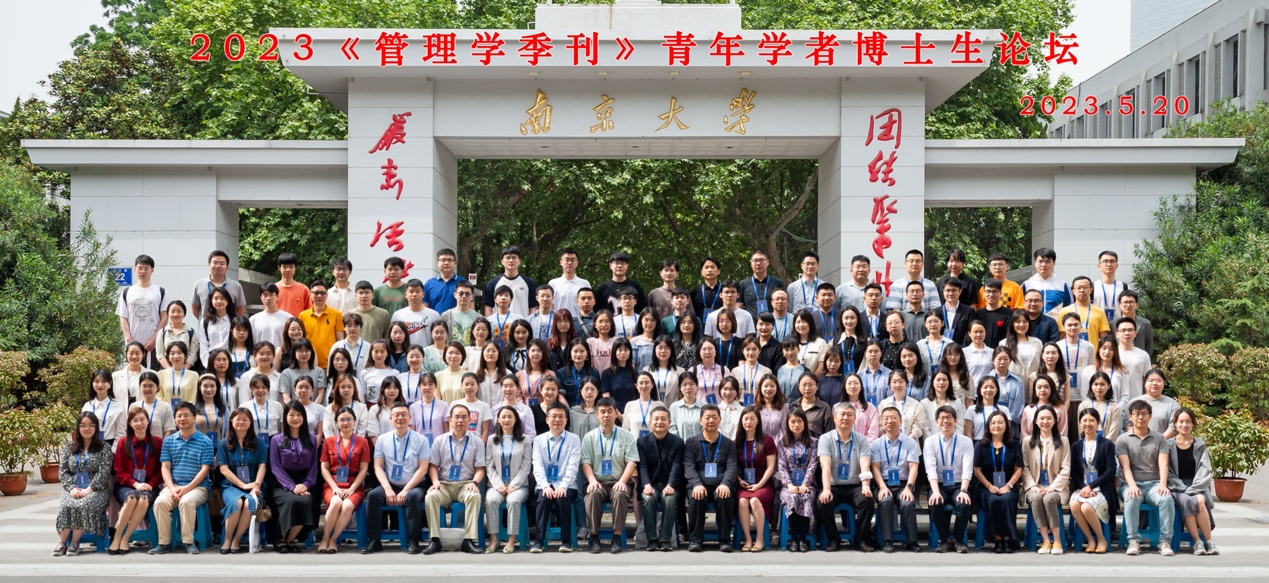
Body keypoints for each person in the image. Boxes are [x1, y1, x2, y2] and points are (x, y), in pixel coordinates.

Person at [362, 403, 431, 554]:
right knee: (373, 496)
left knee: (412, 497)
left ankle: (413, 540)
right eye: (396, 415)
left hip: (414, 485)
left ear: (410, 417)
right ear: (391, 418)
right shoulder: (382, 439)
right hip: (391, 484)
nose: (400, 418)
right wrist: (387, 489)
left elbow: (423, 469)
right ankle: (374, 540)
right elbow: (378, 467)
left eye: (403, 414)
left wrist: (406, 490)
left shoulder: (421, 440)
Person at [149, 402, 214, 554]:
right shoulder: (168, 441)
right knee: (160, 503)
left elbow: (205, 470)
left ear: (194, 418)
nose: (182, 419)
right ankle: (164, 542)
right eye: (179, 416)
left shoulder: (205, 441)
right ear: (175, 419)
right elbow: (165, 468)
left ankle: (188, 542)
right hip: (174, 486)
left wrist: (186, 489)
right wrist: (172, 489)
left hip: (199, 487)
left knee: (186, 501)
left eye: (186, 415)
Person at [423, 404, 486, 554]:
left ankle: (468, 540)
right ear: (450, 420)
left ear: (469, 420)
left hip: (465, 484)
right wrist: (435, 482)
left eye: (464, 417)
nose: (460, 420)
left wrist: (474, 482)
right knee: (431, 497)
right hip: (443, 485)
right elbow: (433, 466)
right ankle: (435, 540)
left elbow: (480, 469)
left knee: (475, 497)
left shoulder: (477, 442)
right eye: (456, 417)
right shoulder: (440, 440)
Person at [579, 397, 639, 553]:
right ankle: (594, 538)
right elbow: (585, 463)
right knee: (592, 495)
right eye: (602, 412)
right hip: (597, 481)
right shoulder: (589, 437)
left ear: (616, 413)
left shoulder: (626, 436)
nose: (606, 415)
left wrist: (623, 481)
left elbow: (631, 462)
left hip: (619, 480)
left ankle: (616, 538)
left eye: (609, 411)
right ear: (597, 414)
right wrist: (592, 480)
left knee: (620, 494)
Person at [1117, 399, 1176, 556]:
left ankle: (1164, 541)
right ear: (1130, 416)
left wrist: (1163, 484)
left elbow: (1163, 464)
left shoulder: (1160, 438)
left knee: (1166, 499)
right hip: (1131, 483)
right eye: (1136, 414)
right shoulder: (1123, 439)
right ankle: (1133, 541)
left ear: (1150, 416)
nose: (1140, 417)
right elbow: (1125, 467)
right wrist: (1132, 485)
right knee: (1131, 497)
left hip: (1154, 484)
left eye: (1144, 414)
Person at [815, 403, 876, 552]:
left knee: (867, 500)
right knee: (822, 502)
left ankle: (861, 540)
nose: (845, 418)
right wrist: (826, 490)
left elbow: (865, 465)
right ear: (834, 418)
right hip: (833, 485)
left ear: (854, 418)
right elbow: (825, 466)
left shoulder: (862, 440)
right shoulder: (825, 438)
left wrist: (866, 487)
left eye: (849, 415)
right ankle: (833, 539)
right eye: (842, 414)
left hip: (855, 486)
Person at [53, 412, 112, 557]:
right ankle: (62, 543)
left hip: (96, 489)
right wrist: (72, 488)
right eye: (83, 425)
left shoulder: (104, 448)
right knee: (67, 504)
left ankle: (74, 543)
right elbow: (63, 472)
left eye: (91, 425)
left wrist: (88, 489)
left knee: (81, 505)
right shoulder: (69, 448)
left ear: (96, 428)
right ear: (78, 428)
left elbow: (104, 473)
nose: (87, 428)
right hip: (73, 488)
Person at [109, 406, 164, 553]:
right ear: (130, 424)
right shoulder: (123, 442)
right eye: (135, 420)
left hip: (149, 486)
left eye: (142, 419)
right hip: (126, 486)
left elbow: (161, 470)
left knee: (143, 498)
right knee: (132, 497)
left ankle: (125, 538)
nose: (139, 423)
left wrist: (150, 484)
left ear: (148, 421)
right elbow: (119, 470)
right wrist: (135, 484)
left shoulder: (157, 442)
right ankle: (116, 537)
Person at [268, 401, 321, 553]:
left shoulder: (312, 439)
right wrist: (291, 486)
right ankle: (280, 539)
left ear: (304, 417)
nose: (295, 418)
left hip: (304, 482)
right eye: (291, 415)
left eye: (299, 415)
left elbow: (314, 465)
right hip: (281, 483)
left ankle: (290, 539)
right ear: (285, 417)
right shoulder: (276, 439)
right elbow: (275, 467)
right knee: (291, 500)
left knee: (306, 500)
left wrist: (306, 484)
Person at [684, 404, 738, 552]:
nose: (711, 421)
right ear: (700, 420)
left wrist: (726, 483)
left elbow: (732, 467)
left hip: (721, 484)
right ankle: (695, 539)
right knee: (696, 497)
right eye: (707, 417)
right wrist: (696, 484)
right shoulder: (691, 442)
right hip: (698, 484)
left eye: (714, 417)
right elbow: (689, 466)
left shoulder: (728, 444)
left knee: (724, 497)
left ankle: (724, 540)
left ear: (720, 420)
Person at [531, 402, 582, 553]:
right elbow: (537, 466)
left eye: (561, 416)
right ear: (547, 419)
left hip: (567, 485)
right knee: (544, 498)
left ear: (566, 420)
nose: (557, 420)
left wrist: (563, 485)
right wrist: (545, 486)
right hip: (545, 484)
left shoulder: (574, 439)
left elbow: (573, 466)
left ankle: (566, 541)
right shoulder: (539, 440)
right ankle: (538, 541)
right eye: (554, 416)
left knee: (562, 498)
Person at [319, 407, 370, 554]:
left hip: (354, 486)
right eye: (342, 420)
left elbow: (363, 470)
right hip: (333, 484)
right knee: (336, 502)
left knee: (347, 505)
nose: (345, 423)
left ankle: (333, 540)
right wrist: (334, 487)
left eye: (349, 419)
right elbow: (324, 468)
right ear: (336, 422)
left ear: (354, 421)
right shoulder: (328, 442)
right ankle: (324, 539)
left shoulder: (362, 442)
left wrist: (352, 489)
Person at [869, 406, 921, 552]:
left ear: (900, 421)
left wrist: (909, 488)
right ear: (882, 422)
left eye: (893, 418)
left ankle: (912, 541)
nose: (889, 421)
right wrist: (882, 487)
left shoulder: (910, 443)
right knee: (885, 501)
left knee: (907, 503)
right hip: (883, 483)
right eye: (886, 418)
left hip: (904, 484)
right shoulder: (877, 444)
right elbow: (875, 468)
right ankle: (887, 541)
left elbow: (914, 468)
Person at [922, 405, 973, 553]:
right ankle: (944, 539)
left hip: (959, 485)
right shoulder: (930, 442)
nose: (945, 421)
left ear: (955, 420)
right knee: (935, 502)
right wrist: (935, 492)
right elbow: (930, 469)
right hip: (939, 485)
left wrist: (963, 490)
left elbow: (967, 469)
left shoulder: (966, 442)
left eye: (949, 418)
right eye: (942, 418)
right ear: (936, 422)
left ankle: (958, 540)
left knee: (964, 503)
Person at [217, 409, 269, 554]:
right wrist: (243, 485)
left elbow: (262, 465)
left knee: (249, 503)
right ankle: (227, 539)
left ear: (250, 422)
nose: (241, 422)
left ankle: (236, 540)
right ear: (231, 421)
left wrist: (256, 485)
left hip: (254, 485)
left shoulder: (258, 442)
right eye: (238, 419)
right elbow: (223, 469)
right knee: (237, 502)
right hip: (231, 486)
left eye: (245, 419)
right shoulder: (224, 443)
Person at [1022, 405, 1071, 555]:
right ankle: (1045, 540)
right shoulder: (1027, 441)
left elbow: (1066, 468)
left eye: (1049, 418)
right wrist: (1032, 486)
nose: (1045, 422)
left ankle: (1057, 540)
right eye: (1041, 418)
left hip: (1057, 487)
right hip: (1034, 486)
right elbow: (1024, 468)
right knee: (1036, 498)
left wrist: (1053, 487)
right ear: (1036, 421)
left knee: (1049, 498)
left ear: (1055, 421)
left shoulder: (1063, 441)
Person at [1168, 408, 1218, 556]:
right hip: (1177, 486)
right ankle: (1197, 542)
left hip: (1197, 485)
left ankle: (1209, 542)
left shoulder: (1200, 445)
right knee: (1187, 501)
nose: (1184, 425)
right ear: (1175, 423)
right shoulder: (1168, 445)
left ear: (1193, 424)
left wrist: (1194, 488)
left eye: (1188, 422)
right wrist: (1183, 488)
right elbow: (1167, 472)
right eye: (1181, 421)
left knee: (1200, 500)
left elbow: (1205, 470)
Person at [484, 405, 533, 553]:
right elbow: (489, 465)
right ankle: (494, 539)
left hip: (519, 485)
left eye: (510, 417)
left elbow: (526, 466)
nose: (506, 420)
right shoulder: (492, 440)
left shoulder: (525, 440)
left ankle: (512, 540)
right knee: (491, 500)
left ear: (516, 419)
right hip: (496, 485)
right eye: (503, 417)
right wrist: (498, 485)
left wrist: (514, 485)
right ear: (498, 420)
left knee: (513, 500)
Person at [973, 410, 1023, 553]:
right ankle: (996, 538)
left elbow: (1018, 469)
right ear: (988, 426)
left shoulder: (1014, 445)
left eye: (1000, 422)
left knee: (1007, 499)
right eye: (993, 423)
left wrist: (1008, 485)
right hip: (985, 487)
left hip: (1008, 486)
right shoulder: (981, 445)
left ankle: (1008, 538)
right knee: (994, 499)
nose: (996, 426)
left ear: (1007, 425)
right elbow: (977, 469)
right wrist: (989, 486)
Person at [1069, 407, 1118, 554]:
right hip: (1082, 488)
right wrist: (1084, 487)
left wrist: (1090, 486)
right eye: (1084, 420)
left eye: (1091, 420)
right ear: (1080, 423)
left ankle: (1101, 539)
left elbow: (1110, 471)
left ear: (1098, 422)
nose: (1088, 424)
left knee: (1086, 507)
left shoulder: (1107, 444)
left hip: (1101, 489)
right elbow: (1073, 471)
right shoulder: (1076, 445)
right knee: (1074, 504)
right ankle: (1090, 539)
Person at [638, 406, 684, 552]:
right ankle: (651, 539)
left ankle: (665, 540)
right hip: (650, 484)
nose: (659, 422)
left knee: (669, 498)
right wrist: (646, 485)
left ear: (669, 422)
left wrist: (671, 485)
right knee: (648, 498)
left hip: (668, 484)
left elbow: (677, 465)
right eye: (656, 419)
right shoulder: (642, 442)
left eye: (663, 419)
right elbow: (643, 466)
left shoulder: (678, 442)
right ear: (650, 422)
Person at [117, 254, 171, 369]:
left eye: (146, 268)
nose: (143, 271)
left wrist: (154, 339)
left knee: (153, 376)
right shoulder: (127, 292)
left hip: (154, 346)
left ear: (152, 270)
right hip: (132, 347)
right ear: (135, 269)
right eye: (140, 268)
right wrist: (129, 339)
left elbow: (164, 317)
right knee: (133, 375)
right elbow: (123, 317)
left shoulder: (160, 292)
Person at [734, 406, 776, 552]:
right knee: (742, 501)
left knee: (754, 500)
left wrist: (759, 485)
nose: (748, 422)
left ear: (758, 421)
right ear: (741, 421)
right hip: (744, 484)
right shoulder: (737, 442)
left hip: (764, 483)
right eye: (745, 418)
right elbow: (733, 466)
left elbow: (771, 467)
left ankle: (759, 539)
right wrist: (739, 480)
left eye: (752, 418)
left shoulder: (767, 440)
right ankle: (747, 539)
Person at [776, 409, 819, 552]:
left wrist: (805, 484)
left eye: (799, 421)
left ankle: (803, 538)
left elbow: (813, 464)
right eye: (793, 421)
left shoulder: (813, 442)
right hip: (787, 485)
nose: (796, 425)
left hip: (808, 484)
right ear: (787, 424)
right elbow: (781, 466)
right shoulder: (782, 443)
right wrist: (789, 485)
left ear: (805, 423)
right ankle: (794, 538)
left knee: (806, 497)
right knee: (792, 497)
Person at [190, 250, 248, 320]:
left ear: (227, 267)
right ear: (209, 265)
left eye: (222, 263)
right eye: (215, 263)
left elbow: (240, 309)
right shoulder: (199, 284)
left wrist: (232, 322)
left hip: (229, 326)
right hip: (206, 325)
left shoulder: (236, 286)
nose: (218, 266)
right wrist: (205, 322)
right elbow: (195, 308)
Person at [484, 246, 538, 317]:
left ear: (519, 261)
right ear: (502, 261)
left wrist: (528, 323)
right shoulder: (492, 283)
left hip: (522, 323)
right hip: (499, 323)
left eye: (514, 257)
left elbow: (533, 308)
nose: (511, 260)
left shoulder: (529, 283)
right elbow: (488, 308)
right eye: (508, 257)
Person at [1058, 276, 1111, 344]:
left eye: (1085, 287)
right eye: (1079, 288)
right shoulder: (1064, 311)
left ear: (1091, 290)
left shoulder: (1099, 311)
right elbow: (1061, 336)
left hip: (1093, 350)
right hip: (1071, 350)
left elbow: (1104, 338)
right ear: (1073, 291)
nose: (1082, 290)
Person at [1114, 317, 1152, 410]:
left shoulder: (1143, 355)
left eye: (1130, 330)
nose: (1127, 333)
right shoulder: (1111, 354)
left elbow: (1147, 380)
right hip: (1114, 402)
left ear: (1135, 333)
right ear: (1117, 334)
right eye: (1123, 330)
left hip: (1136, 402)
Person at [879, 371, 927, 442]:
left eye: (901, 381)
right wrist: (888, 440)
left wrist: (907, 441)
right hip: (888, 444)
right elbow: (880, 426)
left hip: (910, 444)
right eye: (894, 382)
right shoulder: (883, 404)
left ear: (906, 383)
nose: (898, 385)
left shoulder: (916, 405)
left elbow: (918, 427)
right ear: (890, 384)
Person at [1131, 369, 1181, 438]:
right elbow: (1127, 425)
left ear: (1164, 383)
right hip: (1136, 443)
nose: (1154, 383)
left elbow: (1173, 427)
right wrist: (1137, 440)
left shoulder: (1172, 404)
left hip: (1163, 443)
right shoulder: (1133, 402)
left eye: (1158, 381)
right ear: (1145, 383)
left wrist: (1158, 441)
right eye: (1151, 380)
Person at [391, 279, 441, 347]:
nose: (414, 294)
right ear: (405, 294)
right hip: (405, 353)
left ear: (423, 294)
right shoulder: (397, 315)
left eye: (417, 291)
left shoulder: (434, 315)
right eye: (411, 291)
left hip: (427, 352)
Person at [1021, 247, 1071, 314]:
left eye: (1047, 262)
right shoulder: (1027, 285)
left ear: (1054, 263)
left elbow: (1069, 309)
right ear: (1035, 263)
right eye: (1040, 261)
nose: (1043, 265)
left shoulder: (1062, 285)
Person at [83, 369, 126, 446]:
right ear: (92, 384)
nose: (100, 385)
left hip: (111, 445)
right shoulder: (87, 406)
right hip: (90, 446)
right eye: (96, 381)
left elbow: (121, 433)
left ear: (110, 384)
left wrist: (113, 451)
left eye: (104, 381)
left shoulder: (119, 406)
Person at [1078, 370, 1123, 443]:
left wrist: (1103, 445)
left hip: (1107, 446)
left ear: (1109, 386)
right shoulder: (1083, 405)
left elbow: (1113, 432)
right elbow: (1081, 429)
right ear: (1091, 386)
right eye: (1095, 384)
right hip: (1087, 445)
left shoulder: (1114, 407)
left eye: (1102, 384)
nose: (1099, 387)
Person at [738, 249, 784, 318]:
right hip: (751, 323)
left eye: (761, 260)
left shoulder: (777, 282)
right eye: (755, 260)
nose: (758, 263)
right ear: (751, 263)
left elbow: (783, 305)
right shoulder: (743, 284)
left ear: (767, 262)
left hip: (773, 323)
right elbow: (739, 308)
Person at [278, 339, 326, 405]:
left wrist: (312, 408)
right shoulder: (286, 373)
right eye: (300, 350)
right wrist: (296, 409)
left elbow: (320, 395)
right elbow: (286, 397)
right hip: (294, 409)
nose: (304, 353)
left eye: (307, 350)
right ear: (294, 353)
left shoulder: (319, 372)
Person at [548, 248, 590, 320]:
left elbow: (589, 306)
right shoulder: (553, 283)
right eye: (567, 260)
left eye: (572, 260)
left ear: (577, 263)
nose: (569, 263)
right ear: (561, 262)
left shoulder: (584, 284)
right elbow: (550, 306)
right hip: (559, 322)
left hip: (580, 323)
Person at [323, 374, 370, 438]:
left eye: (349, 387)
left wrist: (353, 444)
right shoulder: (329, 409)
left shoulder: (362, 408)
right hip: (334, 443)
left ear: (354, 388)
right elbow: (328, 432)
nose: (346, 390)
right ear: (338, 389)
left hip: (356, 443)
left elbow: (361, 433)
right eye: (342, 387)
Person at [158, 301, 201, 371]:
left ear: (184, 313)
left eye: (179, 311)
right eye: (172, 311)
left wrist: (184, 369)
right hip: (167, 370)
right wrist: (170, 370)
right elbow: (160, 354)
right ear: (168, 314)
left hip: (187, 370)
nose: (175, 314)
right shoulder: (162, 332)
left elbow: (193, 354)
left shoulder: (191, 332)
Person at [407, 372, 447, 445]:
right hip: (419, 446)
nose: (427, 387)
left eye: (430, 384)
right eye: (424, 384)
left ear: (435, 386)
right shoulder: (413, 407)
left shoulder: (443, 405)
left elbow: (446, 431)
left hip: (439, 446)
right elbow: (412, 431)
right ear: (419, 386)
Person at [250, 283, 292, 351]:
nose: (268, 298)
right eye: (265, 295)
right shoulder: (253, 320)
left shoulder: (288, 318)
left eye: (271, 295)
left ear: (277, 296)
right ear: (261, 297)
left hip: (282, 356)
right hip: (260, 356)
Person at [1002, 309, 1043, 379]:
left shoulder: (1037, 342)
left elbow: (1042, 364)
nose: (1021, 324)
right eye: (1018, 322)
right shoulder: (1004, 343)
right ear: (1012, 324)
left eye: (1025, 321)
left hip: (1034, 381)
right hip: (1014, 382)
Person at [423, 248, 465, 314]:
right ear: (437, 263)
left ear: (455, 263)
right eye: (443, 260)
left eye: (450, 260)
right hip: (435, 320)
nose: (446, 263)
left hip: (457, 320)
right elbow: (425, 308)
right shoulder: (429, 284)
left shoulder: (463, 283)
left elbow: (470, 307)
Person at [924, 371, 966, 437]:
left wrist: (956, 441)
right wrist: (932, 441)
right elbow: (925, 428)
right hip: (932, 441)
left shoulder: (957, 402)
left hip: (954, 441)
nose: (941, 382)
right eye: (938, 380)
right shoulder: (924, 403)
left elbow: (959, 426)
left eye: (944, 380)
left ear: (949, 382)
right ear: (932, 383)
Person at [624, 372, 666, 438]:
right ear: (636, 386)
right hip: (634, 443)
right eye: (641, 383)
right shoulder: (630, 405)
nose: (644, 386)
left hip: (654, 443)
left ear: (652, 385)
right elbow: (625, 430)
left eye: (647, 383)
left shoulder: (659, 405)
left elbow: (664, 429)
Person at [240, 373, 283, 437]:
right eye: (257, 387)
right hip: (252, 440)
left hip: (273, 440)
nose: (260, 390)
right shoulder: (244, 407)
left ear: (268, 389)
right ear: (251, 389)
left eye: (264, 387)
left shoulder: (277, 406)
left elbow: (281, 428)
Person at [365, 377, 405, 446]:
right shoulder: (375, 409)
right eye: (388, 387)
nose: (392, 390)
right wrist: (381, 450)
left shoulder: (404, 408)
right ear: (383, 389)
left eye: (395, 388)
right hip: (383, 448)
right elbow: (373, 435)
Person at [974, 279, 1013, 348]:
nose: (991, 294)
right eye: (988, 291)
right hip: (981, 352)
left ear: (1000, 293)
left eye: (995, 291)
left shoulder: (1009, 314)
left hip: (1001, 352)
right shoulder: (977, 314)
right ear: (984, 293)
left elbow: (1010, 337)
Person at [135, 372, 175, 439]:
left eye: (151, 386)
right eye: (144, 386)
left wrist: (162, 444)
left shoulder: (165, 407)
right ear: (139, 387)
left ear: (157, 387)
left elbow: (168, 430)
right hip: (138, 444)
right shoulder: (134, 406)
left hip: (159, 444)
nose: (147, 389)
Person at [440, 280, 481, 347]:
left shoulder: (478, 317)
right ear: (455, 294)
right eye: (461, 293)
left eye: (467, 294)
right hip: (451, 352)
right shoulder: (446, 316)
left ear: (472, 296)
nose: (464, 296)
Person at [790, 373, 831, 438]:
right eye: (804, 385)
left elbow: (829, 433)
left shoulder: (824, 408)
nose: (807, 388)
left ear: (817, 386)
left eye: (810, 385)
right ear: (799, 387)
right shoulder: (793, 406)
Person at [1092, 251, 1129, 322]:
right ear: (1099, 266)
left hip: (1119, 325)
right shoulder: (1092, 287)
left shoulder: (1125, 287)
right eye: (1105, 261)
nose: (1109, 264)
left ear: (1116, 266)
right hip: (1097, 326)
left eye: (1112, 261)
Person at [937, 277, 974, 345]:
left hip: (961, 349)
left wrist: (960, 349)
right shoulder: (936, 312)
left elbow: (970, 333)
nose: (950, 293)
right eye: (948, 290)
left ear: (960, 291)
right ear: (943, 291)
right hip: (940, 349)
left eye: (954, 290)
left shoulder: (968, 311)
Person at [843, 373, 880, 439]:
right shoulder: (837, 408)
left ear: (861, 387)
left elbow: (873, 434)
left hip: (865, 445)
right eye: (849, 383)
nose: (852, 386)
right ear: (844, 387)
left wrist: (863, 445)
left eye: (856, 383)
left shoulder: (870, 408)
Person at [275, 252, 312, 317]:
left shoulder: (304, 289)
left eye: (291, 267)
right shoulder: (273, 289)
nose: (288, 270)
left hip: (297, 323)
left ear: (296, 268)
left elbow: (309, 312)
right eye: (285, 267)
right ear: (279, 267)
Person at [1119, 291, 1154, 358]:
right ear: (1119, 305)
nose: (1128, 305)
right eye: (1125, 302)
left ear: (1137, 305)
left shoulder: (1145, 323)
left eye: (1131, 302)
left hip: (1140, 360)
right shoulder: (1112, 324)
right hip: (1119, 361)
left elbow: (1149, 346)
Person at [669, 372, 705, 439]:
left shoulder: (704, 406)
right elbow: (672, 430)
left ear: (697, 386)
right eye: (684, 384)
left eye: (691, 384)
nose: (688, 387)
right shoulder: (674, 407)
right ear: (680, 387)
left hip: (700, 444)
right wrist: (680, 443)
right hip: (680, 445)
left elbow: (706, 430)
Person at [964, 320, 994, 387]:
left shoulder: (992, 352)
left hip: (987, 390)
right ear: (969, 333)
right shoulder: (963, 352)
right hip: (970, 390)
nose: (978, 334)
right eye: (975, 332)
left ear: (985, 333)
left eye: (981, 332)